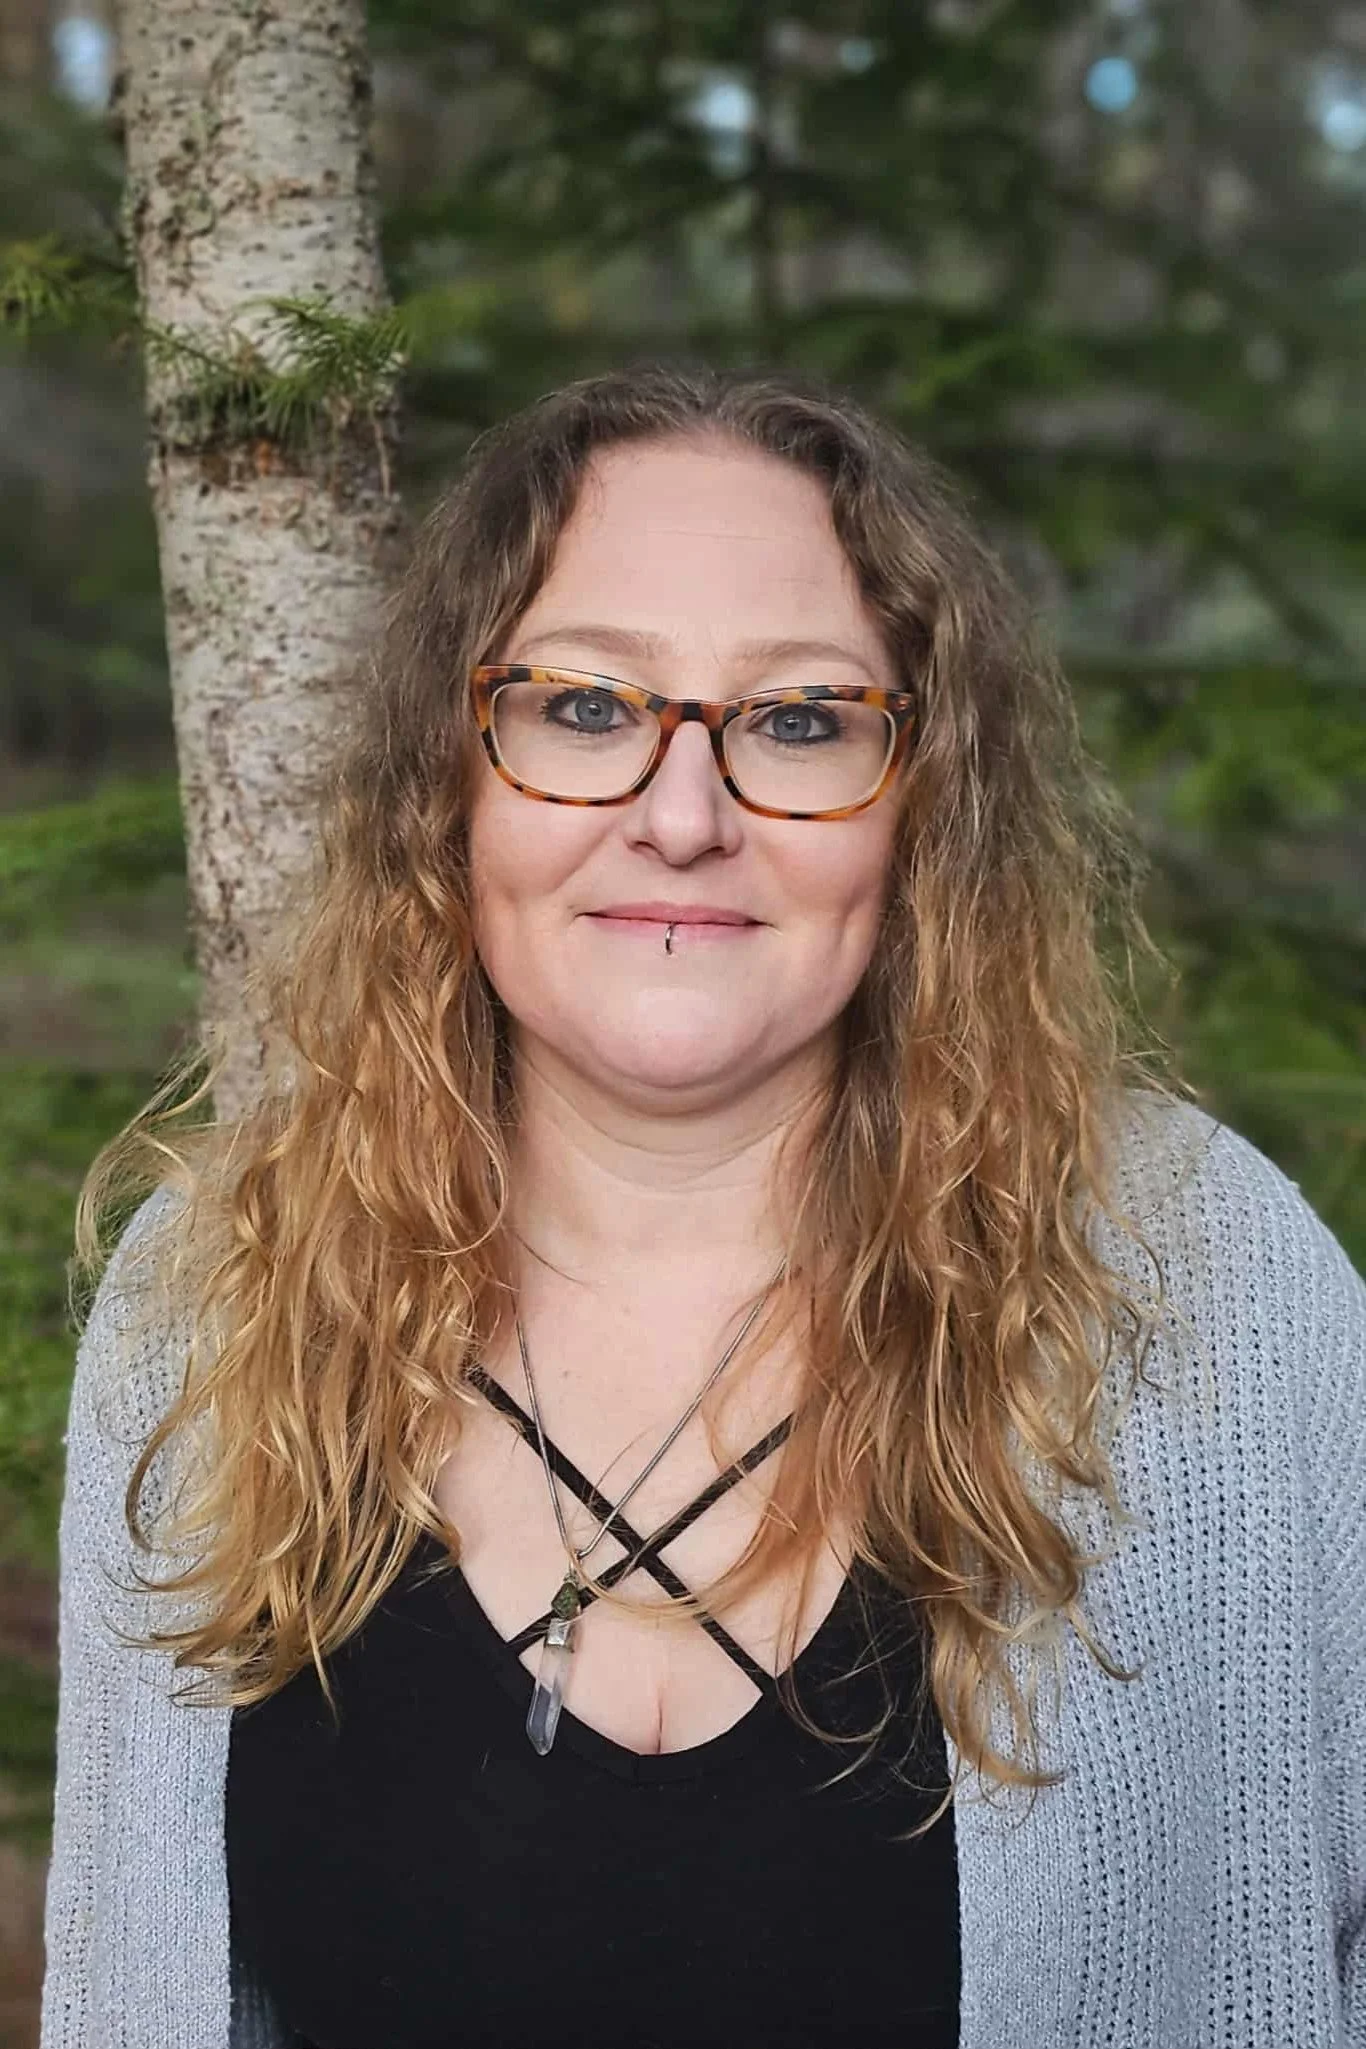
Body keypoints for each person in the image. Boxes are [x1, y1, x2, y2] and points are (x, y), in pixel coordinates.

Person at [40, 365, 1366, 2049]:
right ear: (450, 779)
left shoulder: (1203, 1289)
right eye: (585, 707)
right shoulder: (222, 1293)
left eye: (800, 721)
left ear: (925, 800)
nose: (683, 817)